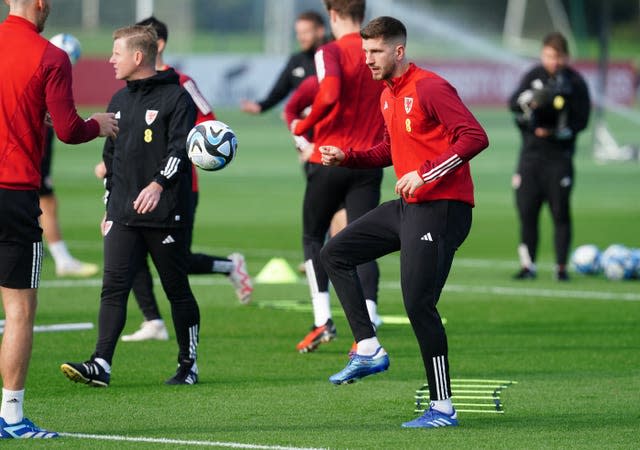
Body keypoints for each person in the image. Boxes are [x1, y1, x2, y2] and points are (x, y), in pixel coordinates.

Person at [319, 16, 489, 429]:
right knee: (335, 252)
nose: (368, 61)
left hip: (443, 208)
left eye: (375, 52)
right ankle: (369, 346)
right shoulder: (387, 94)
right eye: (365, 53)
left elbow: (475, 136)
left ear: (398, 50)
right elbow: (388, 151)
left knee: (418, 304)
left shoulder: (429, 86)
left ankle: (444, 409)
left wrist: (427, 173)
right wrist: (349, 157)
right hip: (410, 206)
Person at [0, 0, 118, 438]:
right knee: (19, 311)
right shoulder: (51, 56)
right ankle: (11, 417)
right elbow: (67, 130)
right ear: (39, 3)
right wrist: (98, 124)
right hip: (13, 194)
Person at [60, 25, 200, 387]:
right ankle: (101, 364)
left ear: (138, 57)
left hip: (166, 214)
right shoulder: (119, 101)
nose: (110, 59)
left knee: (176, 289)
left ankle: (189, 364)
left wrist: (158, 184)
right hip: (123, 213)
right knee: (113, 286)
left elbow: (180, 151)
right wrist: (109, 207)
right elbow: (112, 158)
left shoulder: (176, 98)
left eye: (116, 53)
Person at [111, 16, 253, 343]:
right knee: (129, 257)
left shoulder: (182, 84)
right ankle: (152, 320)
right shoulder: (130, 91)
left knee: (177, 264)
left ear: (155, 46)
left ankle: (229, 266)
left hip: (177, 189)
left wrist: (182, 153)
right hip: (134, 189)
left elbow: (211, 124)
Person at [291, 0, 384, 353]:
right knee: (362, 241)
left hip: (330, 157)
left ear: (331, 15)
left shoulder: (329, 51)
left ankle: (322, 320)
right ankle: (369, 319)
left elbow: (329, 94)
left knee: (313, 236)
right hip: (369, 161)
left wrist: (305, 125)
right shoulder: (376, 52)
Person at [509, 32, 590, 281]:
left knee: (560, 213)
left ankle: (561, 268)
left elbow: (582, 120)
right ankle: (528, 265)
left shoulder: (575, 82)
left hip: (559, 159)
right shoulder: (534, 76)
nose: (552, 61)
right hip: (530, 158)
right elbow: (513, 104)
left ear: (566, 57)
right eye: (548, 56)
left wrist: (559, 131)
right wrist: (531, 103)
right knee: (527, 213)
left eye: (557, 57)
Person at [240, 10, 326, 115]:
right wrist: (260, 106)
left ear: (320, 31)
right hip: (307, 128)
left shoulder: (334, 55)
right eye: (298, 33)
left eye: (305, 32)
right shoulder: (296, 61)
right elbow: (280, 91)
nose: (301, 38)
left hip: (335, 126)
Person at [41, 125, 99, 277]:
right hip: (29, 133)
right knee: (46, 201)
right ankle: (63, 260)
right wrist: (96, 125)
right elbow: (67, 126)